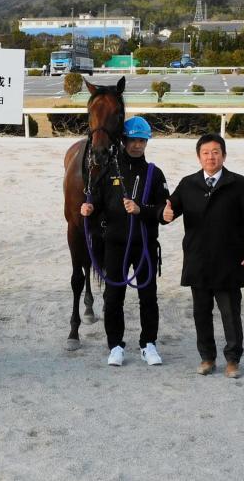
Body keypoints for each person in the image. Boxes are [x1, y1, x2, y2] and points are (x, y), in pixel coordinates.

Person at [163, 133, 244, 379]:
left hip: (229, 260)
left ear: (224, 155)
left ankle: (233, 360)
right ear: (199, 157)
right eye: (206, 152)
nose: (211, 156)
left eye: (216, 152)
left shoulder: (238, 183)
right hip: (197, 260)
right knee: (201, 313)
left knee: (231, 314)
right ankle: (207, 358)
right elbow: (170, 208)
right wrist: (162, 214)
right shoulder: (188, 183)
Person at [80, 116, 169, 367]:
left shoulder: (154, 172)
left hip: (145, 244)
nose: (137, 146)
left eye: (142, 141)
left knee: (148, 296)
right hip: (115, 244)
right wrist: (88, 207)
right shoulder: (108, 171)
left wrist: (142, 210)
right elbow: (94, 200)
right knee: (113, 297)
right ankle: (115, 345)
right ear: (124, 140)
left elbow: (164, 211)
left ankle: (148, 344)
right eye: (133, 140)